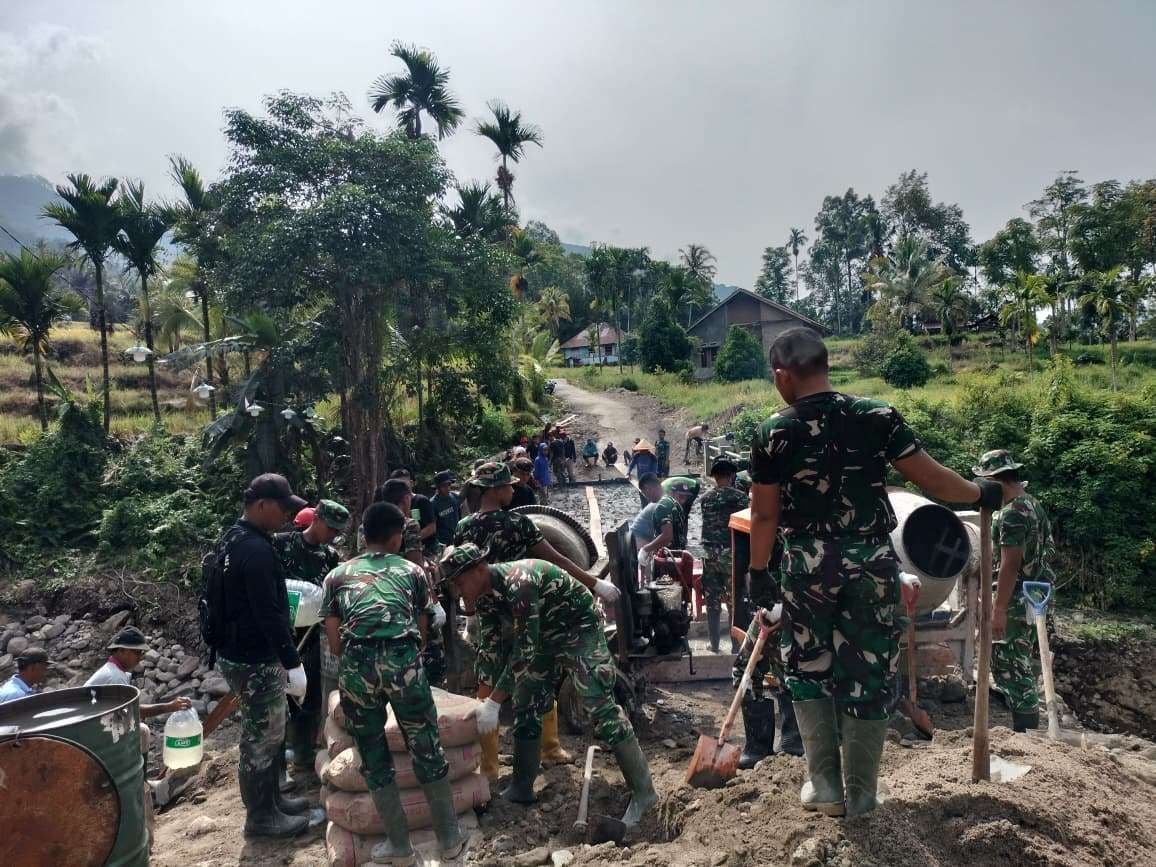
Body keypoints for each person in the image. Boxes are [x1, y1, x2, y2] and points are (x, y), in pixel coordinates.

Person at [747, 328, 1001, 818]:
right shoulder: (877, 416)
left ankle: (824, 788)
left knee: (810, 668)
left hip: (807, 567)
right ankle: (862, 793)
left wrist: (759, 571)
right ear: (825, 365)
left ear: (782, 374)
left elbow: (763, 516)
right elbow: (930, 478)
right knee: (866, 671)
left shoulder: (773, 431)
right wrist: (980, 493)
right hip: (871, 563)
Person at [440, 545, 656, 826]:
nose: (457, 590)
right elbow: (494, 650)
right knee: (525, 700)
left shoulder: (520, 583)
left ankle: (644, 792)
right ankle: (521, 787)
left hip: (577, 629)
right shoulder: (484, 597)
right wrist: (484, 698)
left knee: (598, 703)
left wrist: (494, 703)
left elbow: (524, 651)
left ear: (480, 569)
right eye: (453, 584)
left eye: (459, 581)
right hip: (541, 636)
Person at [452, 462, 620, 782]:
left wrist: (470, 615)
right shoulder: (519, 524)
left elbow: (466, 576)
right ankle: (549, 748)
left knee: (487, 681)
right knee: (536, 673)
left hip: (489, 615)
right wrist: (594, 583)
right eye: (508, 486)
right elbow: (556, 558)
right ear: (495, 490)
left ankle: (488, 766)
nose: (513, 490)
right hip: (522, 610)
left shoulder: (464, 528)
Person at [321, 502, 465, 863]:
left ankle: (399, 847)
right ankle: (449, 839)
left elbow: (335, 643)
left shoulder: (336, 576)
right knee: (426, 747)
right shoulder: (413, 571)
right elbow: (422, 628)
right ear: (397, 536)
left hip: (356, 666)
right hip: (404, 663)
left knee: (372, 755)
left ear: (363, 535)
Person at [213, 473, 312, 837]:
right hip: (254, 657)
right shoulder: (254, 550)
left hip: (238, 652)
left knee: (266, 732)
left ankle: (272, 802)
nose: (287, 516)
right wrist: (292, 662)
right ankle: (261, 817)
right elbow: (268, 612)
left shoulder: (234, 539)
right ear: (261, 505)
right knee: (262, 738)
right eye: (283, 508)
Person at [975, 449, 1054, 733]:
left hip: (1017, 596)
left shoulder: (1010, 514)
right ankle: (1029, 730)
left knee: (1008, 661)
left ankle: (1026, 735)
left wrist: (998, 609)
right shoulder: (1034, 504)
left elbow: (1009, 565)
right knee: (1020, 659)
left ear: (996, 481)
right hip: (1036, 593)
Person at [273, 498, 350, 773]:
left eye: (337, 532)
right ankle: (277, 764)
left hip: (311, 638)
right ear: (316, 519)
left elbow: (331, 598)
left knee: (309, 697)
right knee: (277, 701)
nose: (333, 536)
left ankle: (304, 757)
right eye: (330, 529)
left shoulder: (329, 556)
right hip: (279, 636)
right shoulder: (281, 544)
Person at [698, 459, 749, 653]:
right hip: (731, 554)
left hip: (709, 555)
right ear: (732, 476)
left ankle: (714, 644)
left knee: (712, 600)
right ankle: (736, 647)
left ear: (715, 477)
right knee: (734, 600)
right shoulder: (740, 498)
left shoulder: (705, 498)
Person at [637, 477, 698, 576]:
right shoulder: (673, 502)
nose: (646, 497)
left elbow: (667, 536)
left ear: (648, 488)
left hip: (669, 561)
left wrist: (646, 549)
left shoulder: (662, 506)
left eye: (644, 493)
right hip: (678, 557)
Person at [391, 468, 437, 554]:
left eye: (403, 484)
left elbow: (432, 527)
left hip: (425, 549)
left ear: (411, 483)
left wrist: (411, 539)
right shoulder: (392, 504)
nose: (400, 488)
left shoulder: (421, 500)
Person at [430, 471, 462, 547]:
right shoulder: (433, 503)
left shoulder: (454, 497)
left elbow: (459, 514)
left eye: (449, 484)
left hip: (457, 538)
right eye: (444, 486)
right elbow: (432, 526)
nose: (447, 488)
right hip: (443, 542)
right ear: (438, 487)